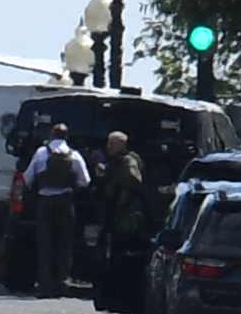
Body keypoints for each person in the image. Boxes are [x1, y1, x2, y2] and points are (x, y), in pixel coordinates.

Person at [16, 125, 91, 300]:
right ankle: (61, 283)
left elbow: (27, 178)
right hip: (66, 202)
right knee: (64, 243)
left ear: (51, 135)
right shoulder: (74, 155)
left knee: (45, 244)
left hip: (45, 202)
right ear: (67, 136)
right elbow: (85, 181)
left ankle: (45, 285)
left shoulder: (41, 153)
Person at [93, 129, 152, 300]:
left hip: (124, 215)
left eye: (112, 144)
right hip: (115, 213)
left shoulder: (128, 161)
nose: (108, 147)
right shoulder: (115, 161)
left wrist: (120, 192)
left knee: (121, 252)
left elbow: (134, 180)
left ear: (121, 145)